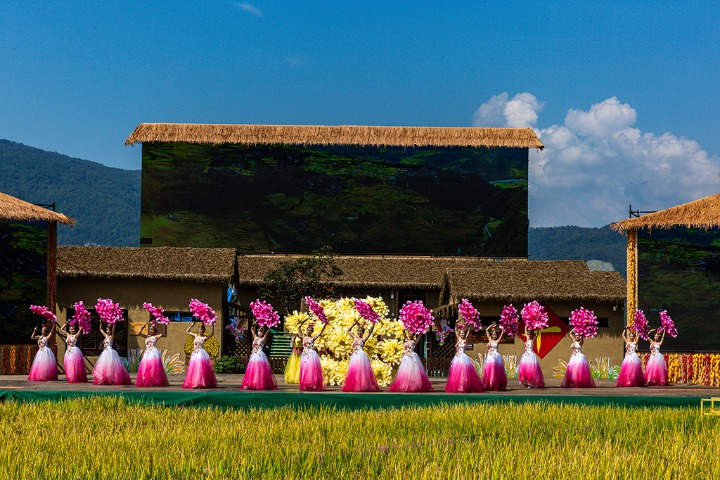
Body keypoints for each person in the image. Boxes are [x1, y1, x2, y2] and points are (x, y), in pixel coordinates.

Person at [444, 325, 484, 393]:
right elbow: (456, 331)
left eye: (463, 333)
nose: (462, 334)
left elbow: (468, 333)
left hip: (463, 357)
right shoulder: (458, 339)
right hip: (457, 357)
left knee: (463, 373)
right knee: (456, 373)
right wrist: (456, 324)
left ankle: (463, 386)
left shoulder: (465, 340)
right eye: (461, 333)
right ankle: (457, 386)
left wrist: (469, 327)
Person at [342, 322, 380, 392]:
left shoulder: (363, 339)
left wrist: (373, 325)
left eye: (361, 331)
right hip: (354, 356)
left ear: (363, 332)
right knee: (354, 371)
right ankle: (355, 385)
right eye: (358, 331)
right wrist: (353, 324)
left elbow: (370, 332)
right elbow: (348, 330)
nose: (359, 332)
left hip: (361, 356)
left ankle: (362, 386)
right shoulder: (354, 337)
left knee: (361, 371)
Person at [240, 322, 277, 390]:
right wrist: (255, 323)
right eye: (259, 331)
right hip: (254, 355)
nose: (260, 332)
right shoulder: (255, 337)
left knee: (259, 370)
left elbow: (267, 332)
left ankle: (259, 383)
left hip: (260, 355)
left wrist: (269, 326)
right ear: (257, 331)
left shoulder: (263, 338)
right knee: (252, 370)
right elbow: (251, 329)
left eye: (261, 331)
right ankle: (252, 383)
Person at [182, 322, 218, 389]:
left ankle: (201, 382)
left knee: (200, 368)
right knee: (194, 369)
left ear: (203, 330)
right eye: (199, 329)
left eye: (201, 329)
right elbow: (187, 331)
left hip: (201, 354)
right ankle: (194, 382)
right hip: (195, 353)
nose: (199, 330)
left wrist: (213, 326)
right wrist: (191, 326)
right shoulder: (195, 335)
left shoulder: (204, 338)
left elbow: (212, 334)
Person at [136, 322, 169, 387]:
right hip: (147, 352)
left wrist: (165, 325)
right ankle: (145, 380)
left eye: (152, 330)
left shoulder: (156, 337)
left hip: (153, 353)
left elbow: (162, 333)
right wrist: (142, 327)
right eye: (150, 330)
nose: (151, 331)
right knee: (145, 367)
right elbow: (138, 333)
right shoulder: (146, 336)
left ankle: (153, 381)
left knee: (153, 368)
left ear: (154, 331)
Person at [298, 322, 327, 391]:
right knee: (305, 369)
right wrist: (303, 322)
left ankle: (312, 384)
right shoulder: (303, 337)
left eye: (310, 330)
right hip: (305, 355)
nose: (308, 331)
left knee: (311, 370)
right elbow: (299, 328)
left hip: (311, 355)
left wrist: (325, 324)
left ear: (311, 331)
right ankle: (305, 384)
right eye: (307, 330)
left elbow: (320, 332)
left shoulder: (313, 338)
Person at [483, 323, 507, 391]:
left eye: (495, 335)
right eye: (493, 334)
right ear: (491, 335)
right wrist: (492, 325)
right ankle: (489, 384)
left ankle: (495, 384)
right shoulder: (489, 339)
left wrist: (503, 329)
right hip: (489, 357)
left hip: (495, 357)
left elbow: (502, 334)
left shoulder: (497, 341)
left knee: (494, 371)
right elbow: (487, 330)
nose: (494, 336)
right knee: (489, 371)